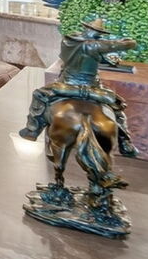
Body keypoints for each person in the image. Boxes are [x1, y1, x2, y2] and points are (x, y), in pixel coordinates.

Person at [19, 19, 138, 156]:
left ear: (85, 28)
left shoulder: (68, 40)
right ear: (94, 32)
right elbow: (128, 44)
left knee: (39, 95)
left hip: (65, 87)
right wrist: (127, 40)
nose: (99, 36)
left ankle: (32, 130)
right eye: (98, 33)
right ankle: (125, 142)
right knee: (118, 106)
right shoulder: (95, 45)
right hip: (93, 90)